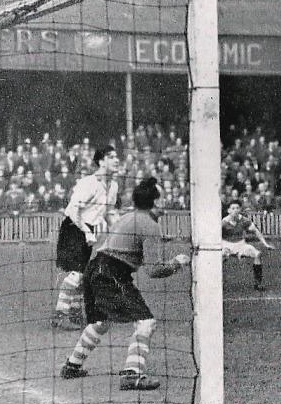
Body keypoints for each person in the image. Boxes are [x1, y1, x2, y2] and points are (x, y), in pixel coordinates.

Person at [59, 177, 190, 391]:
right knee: (146, 322)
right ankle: (132, 374)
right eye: (163, 196)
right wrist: (177, 263)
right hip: (112, 273)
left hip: (96, 269)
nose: (167, 199)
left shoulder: (129, 217)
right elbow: (153, 270)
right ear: (155, 202)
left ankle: (72, 366)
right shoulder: (149, 225)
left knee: (101, 322)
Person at [51, 146, 120, 330]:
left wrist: (119, 233)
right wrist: (87, 232)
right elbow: (73, 210)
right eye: (111, 157)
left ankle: (74, 314)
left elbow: (110, 212)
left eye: (116, 157)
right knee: (77, 274)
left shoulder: (113, 186)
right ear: (101, 161)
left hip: (88, 230)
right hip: (74, 227)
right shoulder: (89, 183)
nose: (116, 160)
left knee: (82, 274)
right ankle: (60, 315)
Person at [221, 200, 275, 291]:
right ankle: (218, 282)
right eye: (233, 208)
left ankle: (258, 284)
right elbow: (215, 235)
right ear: (229, 210)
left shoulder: (244, 220)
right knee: (221, 257)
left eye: (237, 208)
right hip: (227, 244)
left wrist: (265, 244)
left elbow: (256, 231)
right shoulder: (224, 222)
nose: (235, 210)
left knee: (257, 254)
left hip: (240, 244)